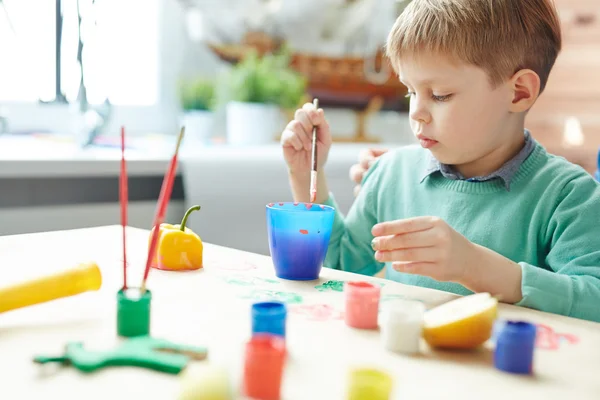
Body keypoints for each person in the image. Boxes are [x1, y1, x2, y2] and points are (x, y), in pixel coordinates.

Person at [280, 0, 600, 322]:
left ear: (518, 93)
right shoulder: (392, 174)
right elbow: (340, 264)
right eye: (410, 92)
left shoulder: (568, 197)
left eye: (440, 94)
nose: (416, 112)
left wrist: (477, 267)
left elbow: (593, 300)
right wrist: (307, 173)